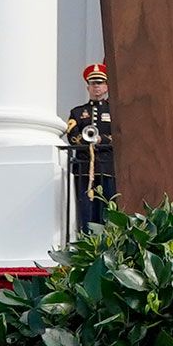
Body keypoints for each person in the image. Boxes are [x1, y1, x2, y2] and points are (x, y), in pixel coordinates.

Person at [63, 62, 116, 236]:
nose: (97, 87)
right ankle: (86, 240)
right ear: (88, 87)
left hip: (108, 168)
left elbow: (121, 136)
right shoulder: (78, 112)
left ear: (106, 87)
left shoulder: (114, 111)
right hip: (85, 169)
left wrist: (102, 139)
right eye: (93, 84)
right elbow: (72, 136)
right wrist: (88, 141)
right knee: (86, 207)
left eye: (100, 83)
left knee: (108, 206)